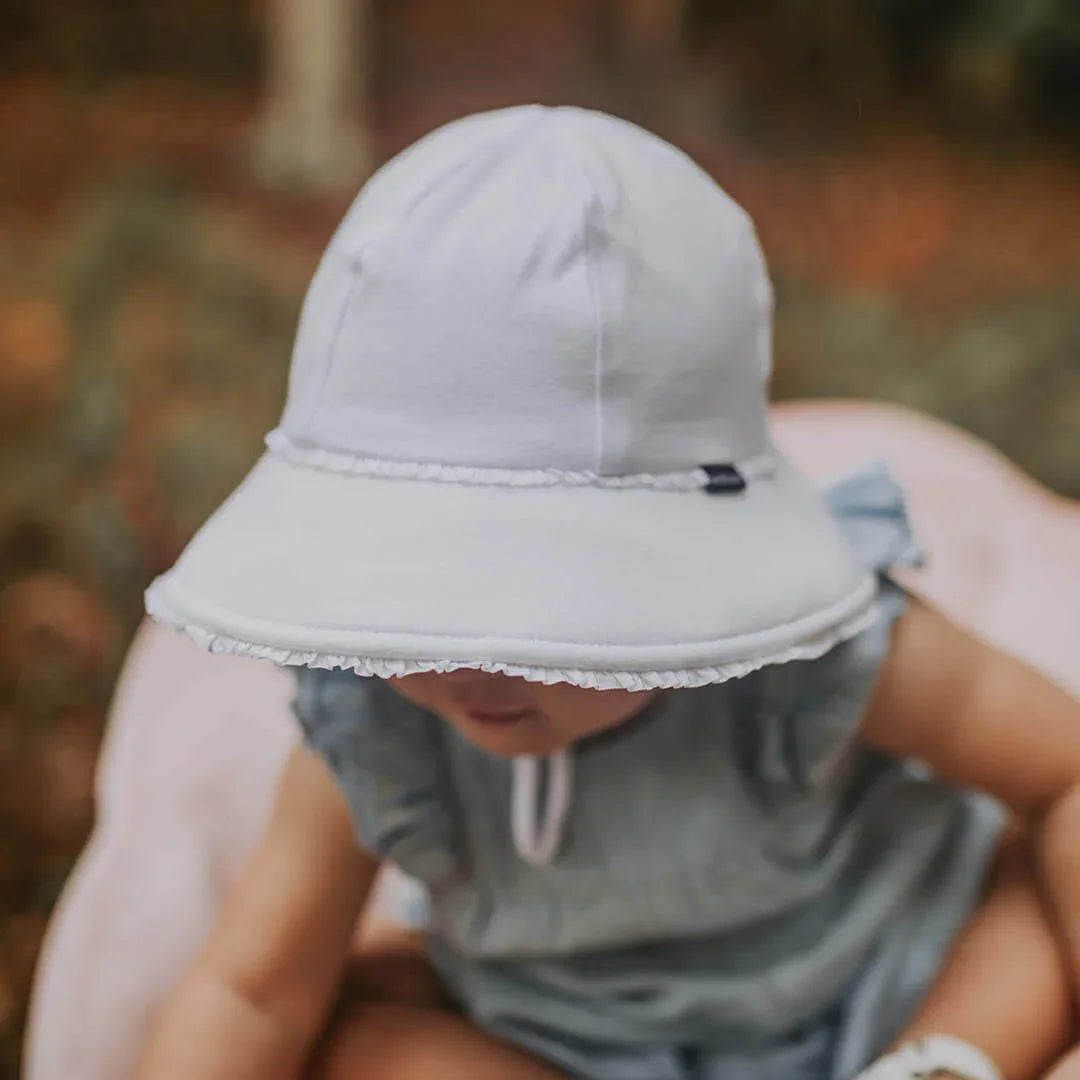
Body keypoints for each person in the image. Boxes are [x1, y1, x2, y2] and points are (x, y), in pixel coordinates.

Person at [133, 105, 1080, 1080]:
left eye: (540, 610)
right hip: (575, 1054)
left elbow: (1067, 779)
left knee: (1029, 903)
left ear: (695, 571)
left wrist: (955, 1048)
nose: (465, 665)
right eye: (412, 598)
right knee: (363, 1026)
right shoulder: (375, 723)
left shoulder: (819, 656)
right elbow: (249, 994)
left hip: (883, 993)